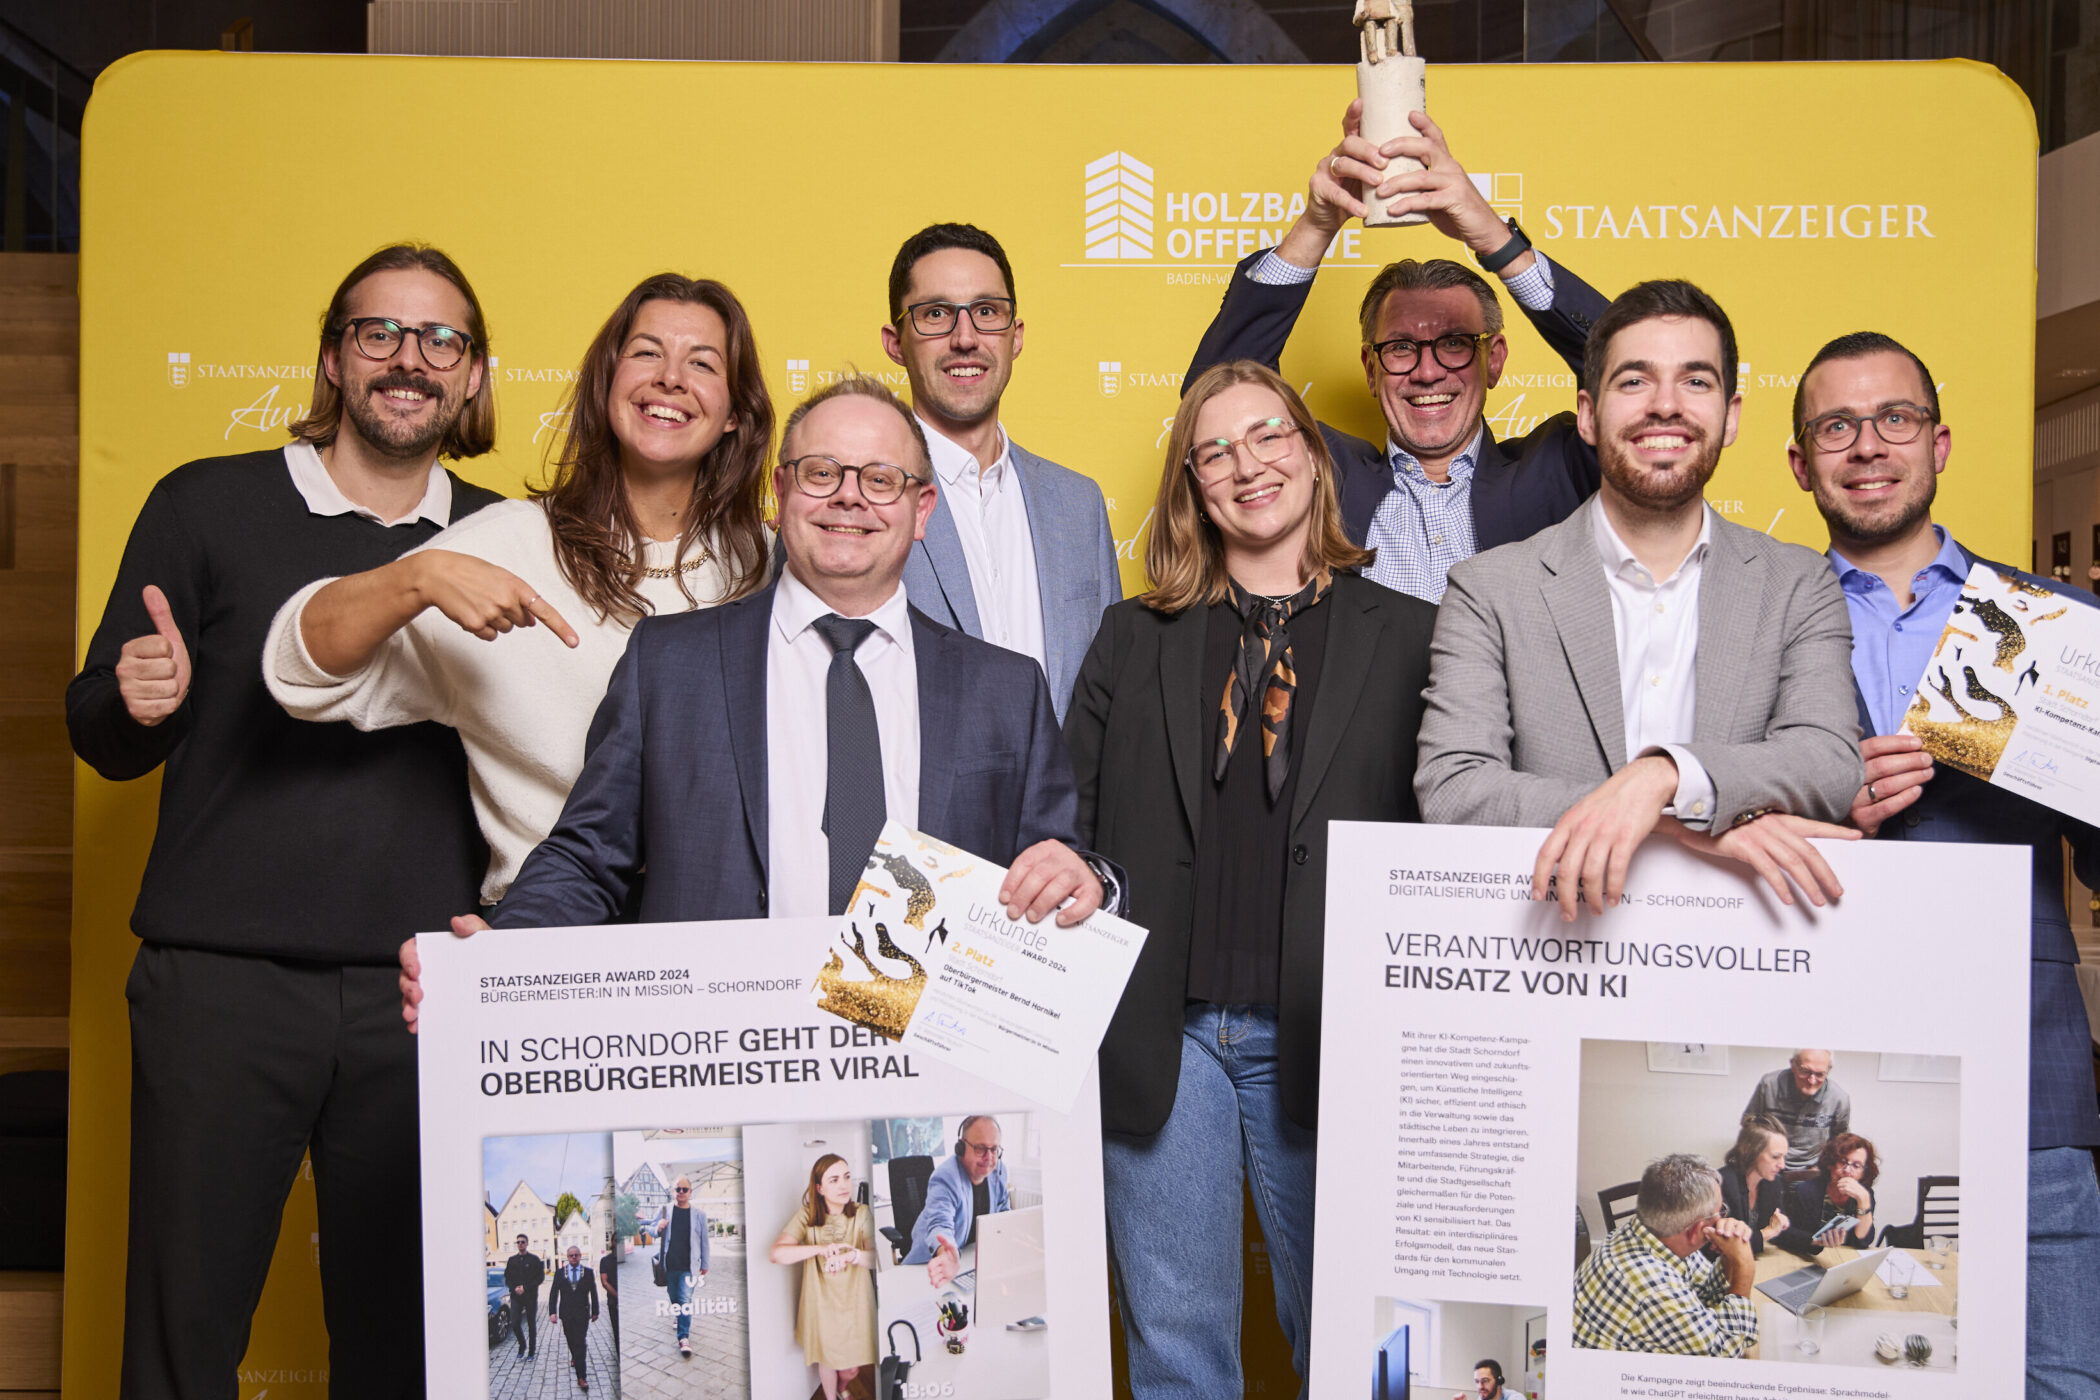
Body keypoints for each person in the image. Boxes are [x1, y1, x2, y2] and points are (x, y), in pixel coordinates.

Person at [67, 243, 503, 1399]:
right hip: (220, 986)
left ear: (473, 375)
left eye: (441, 339)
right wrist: (136, 698)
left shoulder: (513, 538)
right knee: (182, 1333)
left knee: (411, 1349)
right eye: (379, 332)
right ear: (333, 358)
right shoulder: (206, 503)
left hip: (423, 994)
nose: (409, 360)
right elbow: (101, 726)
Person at [397, 376, 1112, 1012]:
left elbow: (1058, 872)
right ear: (780, 493)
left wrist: (1090, 882)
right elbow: (590, 856)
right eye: (821, 472)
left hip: (930, 1065)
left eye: (881, 479)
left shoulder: (1004, 688)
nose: (849, 497)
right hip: (720, 1059)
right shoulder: (668, 663)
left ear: (922, 510)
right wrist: (498, 959)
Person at [1065, 360, 1436, 1399]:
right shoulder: (1132, 635)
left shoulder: (1414, 637)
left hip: (1331, 1037)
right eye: (1215, 450)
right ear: (1192, 483)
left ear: (1312, 457)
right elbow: (1067, 823)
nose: (1246, 464)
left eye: (1269, 435)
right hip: (1162, 1036)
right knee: (1177, 1348)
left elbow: (1447, 835)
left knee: (1356, 1348)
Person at [1786, 329, 2100, 1396]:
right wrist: (1825, 802)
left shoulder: (2057, 626)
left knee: (2061, 1382)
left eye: (1895, 418)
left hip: (2029, 1079)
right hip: (1832, 1084)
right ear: (1800, 463)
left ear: (1940, 441)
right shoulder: (1754, 625)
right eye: (1837, 425)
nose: (1869, 445)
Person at [266, 273, 773, 908]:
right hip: (549, 923)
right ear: (606, 382)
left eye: (702, 363)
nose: (670, 378)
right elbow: (299, 673)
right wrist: (412, 578)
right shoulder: (511, 543)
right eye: (646, 352)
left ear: (735, 413)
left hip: (728, 931)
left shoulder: (773, 564)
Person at [1414, 278, 1864, 920]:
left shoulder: (1799, 584)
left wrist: (1664, 778)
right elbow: (1454, 789)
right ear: (1588, 415)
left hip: (1741, 952)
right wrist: (1672, 825)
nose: (1665, 405)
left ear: (1732, 416)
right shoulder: (1489, 589)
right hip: (1553, 949)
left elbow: (1827, 763)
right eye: (1634, 381)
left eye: (1696, 381)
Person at [1186, 105, 1611, 603]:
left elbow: (1636, 372)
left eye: (1454, 344)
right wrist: (1317, 226)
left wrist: (1495, 239)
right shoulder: (1321, 474)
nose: (1427, 372)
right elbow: (1216, 394)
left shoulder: (1558, 467)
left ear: (1494, 359)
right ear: (1371, 369)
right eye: (1401, 348)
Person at [884, 223, 1121, 719]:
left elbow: (1108, 701)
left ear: (1016, 336)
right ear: (896, 343)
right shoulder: (861, 501)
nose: (965, 338)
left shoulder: (1078, 504)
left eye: (987, 311)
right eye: (935, 314)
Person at [1572, 1154, 1757, 1358]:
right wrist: (1744, 1266)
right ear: (1698, 1230)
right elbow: (1724, 1351)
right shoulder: (1653, 1289)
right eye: (1720, 1211)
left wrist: (1729, 1256)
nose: (1723, 1218)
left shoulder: (1655, 1233)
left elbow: (1704, 1291)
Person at [769, 1154, 876, 1400]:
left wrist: (852, 1255)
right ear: (820, 1188)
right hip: (821, 1304)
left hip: (854, 1303)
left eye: (847, 1177)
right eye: (834, 1180)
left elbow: (874, 1258)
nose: (844, 1185)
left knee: (851, 1369)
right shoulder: (807, 1215)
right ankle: (833, 1396)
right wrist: (819, 1249)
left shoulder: (861, 1213)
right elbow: (776, 1254)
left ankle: (842, 1386)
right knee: (826, 1360)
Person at [904, 1114, 1012, 1287]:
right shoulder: (946, 1177)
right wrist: (946, 1254)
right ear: (961, 1147)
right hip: (931, 1265)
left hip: (970, 1256)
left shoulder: (998, 1171)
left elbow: (1004, 1212)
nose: (989, 1157)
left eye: (994, 1149)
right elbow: (940, 1224)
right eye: (980, 1148)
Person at [1773, 1132, 1878, 1257]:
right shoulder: (1806, 1190)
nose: (1847, 1170)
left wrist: (1864, 1201)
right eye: (1843, 1162)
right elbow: (1784, 1233)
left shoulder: (1864, 1195)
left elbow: (1863, 1241)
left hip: (1845, 1257)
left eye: (1856, 1165)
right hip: (1808, 1256)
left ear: (1864, 1172)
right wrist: (1815, 1241)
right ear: (1831, 1164)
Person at [1741, 1049, 1850, 1170]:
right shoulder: (1768, 1085)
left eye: (1820, 1074)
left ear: (1828, 1070)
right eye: (1805, 1071)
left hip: (1813, 1167)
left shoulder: (1839, 1098)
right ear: (1793, 1064)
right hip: (1769, 1163)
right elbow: (1749, 1123)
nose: (1812, 1080)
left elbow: (1840, 1141)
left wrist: (1822, 1166)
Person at [1716, 1115, 1791, 1256]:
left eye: (1784, 1157)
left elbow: (1780, 1230)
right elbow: (1723, 1245)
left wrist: (1816, 1240)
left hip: (1757, 1256)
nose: (1782, 1165)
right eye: (1775, 1157)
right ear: (1750, 1150)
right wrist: (1767, 1233)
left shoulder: (1773, 1182)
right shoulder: (1722, 1183)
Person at [655, 1176, 711, 1358]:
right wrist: (657, 1228)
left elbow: (704, 1242)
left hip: (689, 1266)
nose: (681, 1192)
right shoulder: (665, 1210)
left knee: (685, 1299)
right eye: (677, 1189)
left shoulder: (699, 1215)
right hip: (670, 1265)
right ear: (673, 1191)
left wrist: (705, 1264)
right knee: (674, 1297)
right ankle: (678, 1315)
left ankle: (684, 1337)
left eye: (684, 1189)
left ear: (690, 1192)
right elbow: (649, 1229)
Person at [548, 1245, 600, 1392]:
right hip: (566, 1314)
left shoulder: (588, 1272)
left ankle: (581, 1377)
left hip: (582, 1314)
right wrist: (552, 1312)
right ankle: (574, 1356)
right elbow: (553, 1293)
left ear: (580, 1256)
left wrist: (595, 1311)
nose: (574, 1257)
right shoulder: (560, 1273)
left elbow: (594, 1292)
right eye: (571, 1255)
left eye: (576, 1255)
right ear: (567, 1257)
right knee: (571, 1339)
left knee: (580, 1343)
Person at [504, 1233, 545, 1360]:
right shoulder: (512, 1260)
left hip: (530, 1296)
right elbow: (507, 1278)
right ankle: (522, 1345)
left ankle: (531, 1351)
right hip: (516, 1297)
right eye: (518, 1242)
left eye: (523, 1242)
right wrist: (514, 1288)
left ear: (527, 1243)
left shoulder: (534, 1259)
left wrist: (525, 1288)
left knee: (531, 1324)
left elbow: (540, 1278)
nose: (520, 1244)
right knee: (515, 1323)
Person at [598, 1237, 619, 1353]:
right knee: (616, 1330)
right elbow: (604, 1282)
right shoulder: (605, 1261)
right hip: (613, 1301)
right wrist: (618, 1297)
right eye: (616, 1240)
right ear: (612, 1242)